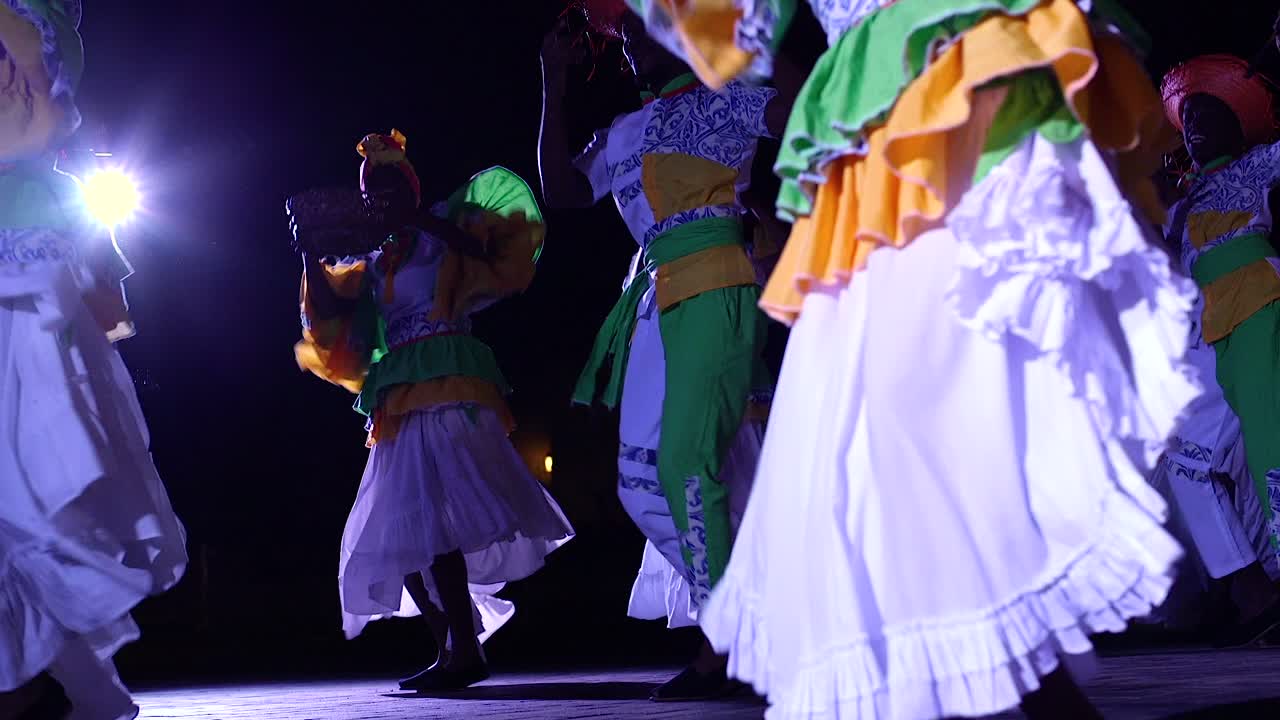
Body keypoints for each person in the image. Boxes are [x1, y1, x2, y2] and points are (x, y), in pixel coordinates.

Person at [624, 1, 1201, 718]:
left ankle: (1039, 683)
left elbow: (758, 61)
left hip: (955, 80)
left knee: (948, 407)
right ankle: (1034, 687)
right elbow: (745, 31)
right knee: (889, 443)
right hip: (870, 139)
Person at [538, 3, 787, 701]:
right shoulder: (623, 131)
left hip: (716, 283)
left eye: (650, 26)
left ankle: (735, 645)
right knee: (640, 482)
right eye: (624, 38)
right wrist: (553, 82)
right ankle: (752, 623)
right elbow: (561, 190)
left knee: (685, 466)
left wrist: (740, 45)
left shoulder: (724, 97)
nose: (633, 46)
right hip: (650, 298)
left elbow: (801, 112)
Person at [291, 130, 574, 692]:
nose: (383, 198)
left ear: (412, 189)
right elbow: (330, 318)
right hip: (399, 391)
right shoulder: (374, 260)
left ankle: (463, 651)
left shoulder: (443, 230)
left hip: (450, 380)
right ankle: (453, 647)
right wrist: (309, 250)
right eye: (374, 191)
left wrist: (417, 218)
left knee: (430, 523)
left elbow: (491, 250)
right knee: (398, 529)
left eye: (393, 186)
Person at [1, 2, 189, 718]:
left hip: (29, 324)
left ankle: (35, 692)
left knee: (28, 509)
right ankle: (42, 691)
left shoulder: (44, 175)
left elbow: (101, 307)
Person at [1160, 51, 1280, 584]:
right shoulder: (1179, 204)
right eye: (1187, 122)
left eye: (1208, 117)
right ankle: (1247, 588)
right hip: (1206, 332)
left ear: (1240, 124)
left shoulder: (1260, 164)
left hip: (1259, 304)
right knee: (1185, 462)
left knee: (1270, 441)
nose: (1195, 130)